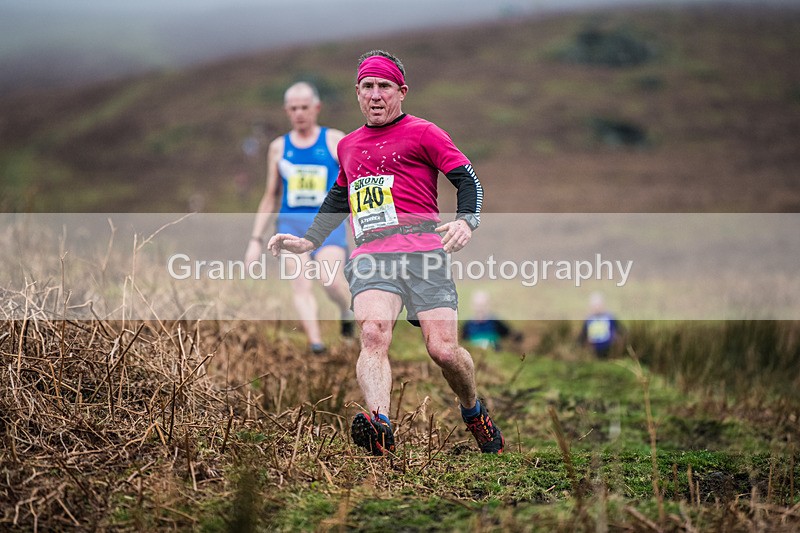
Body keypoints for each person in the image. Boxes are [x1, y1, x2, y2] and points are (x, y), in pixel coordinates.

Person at [267, 50, 504, 456]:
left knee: (443, 351)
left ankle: (473, 411)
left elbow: (468, 180)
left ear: (401, 91)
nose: (375, 95)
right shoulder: (348, 145)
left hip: (424, 252)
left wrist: (467, 220)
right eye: (367, 86)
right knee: (373, 333)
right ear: (358, 92)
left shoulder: (424, 132)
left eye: (384, 86)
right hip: (372, 255)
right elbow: (339, 196)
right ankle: (380, 425)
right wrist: (310, 241)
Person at [246, 81, 354, 354]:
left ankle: (346, 311)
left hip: (328, 226)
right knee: (301, 284)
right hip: (290, 227)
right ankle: (317, 345)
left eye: (304, 107)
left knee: (331, 282)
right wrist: (255, 240)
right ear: (287, 111)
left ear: (317, 107)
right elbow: (270, 196)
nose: (299, 113)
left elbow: (353, 183)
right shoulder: (278, 148)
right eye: (293, 109)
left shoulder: (334, 140)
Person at [578, 292, 624, 359]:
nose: (597, 308)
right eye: (594, 306)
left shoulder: (610, 317)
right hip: (593, 351)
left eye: (598, 305)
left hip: (610, 350)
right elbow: (582, 336)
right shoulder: (588, 320)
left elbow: (621, 330)